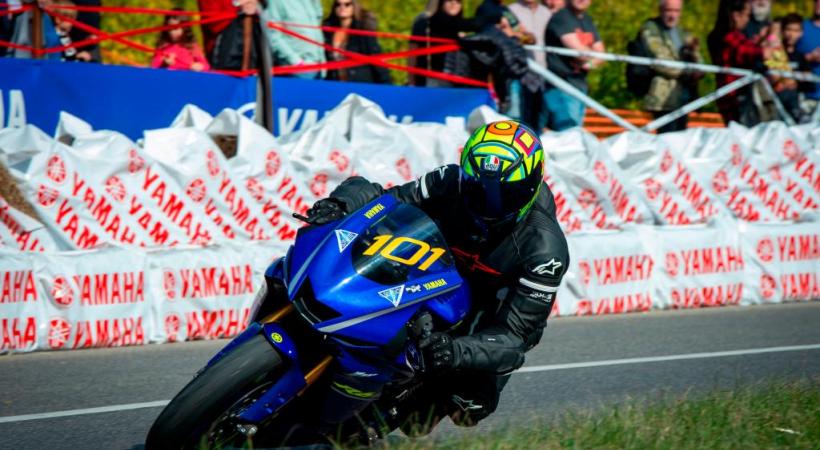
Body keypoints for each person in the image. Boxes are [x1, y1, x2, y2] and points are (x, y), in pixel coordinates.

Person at [300, 120, 569, 434]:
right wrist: (340, 204)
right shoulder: (450, 180)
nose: (489, 204)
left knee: (464, 405)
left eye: (503, 194)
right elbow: (387, 201)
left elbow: (515, 337)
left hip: (483, 317)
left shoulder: (544, 252)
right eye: (478, 188)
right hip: (427, 277)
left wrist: (457, 351)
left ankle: (363, 427)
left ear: (531, 184)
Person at [639, 0, 703, 133]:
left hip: (685, 98)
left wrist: (698, 70)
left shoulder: (684, 33)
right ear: (660, 10)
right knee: (667, 141)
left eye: (677, 11)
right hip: (663, 99)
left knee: (681, 139)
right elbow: (661, 61)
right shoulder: (651, 29)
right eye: (669, 10)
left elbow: (699, 61)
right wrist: (689, 71)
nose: (672, 15)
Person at [542, 0, 604, 131]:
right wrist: (590, 56)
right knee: (567, 133)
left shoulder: (587, 20)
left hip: (580, 83)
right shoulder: (562, 17)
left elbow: (601, 54)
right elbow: (579, 52)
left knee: (574, 134)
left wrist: (589, 62)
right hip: (561, 84)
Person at [708, 0, 765, 126]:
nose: (747, 20)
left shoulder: (716, 35)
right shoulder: (730, 37)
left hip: (728, 95)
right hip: (736, 96)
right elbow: (749, 52)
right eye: (747, 15)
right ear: (735, 15)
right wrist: (767, 47)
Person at [409, 0, 476, 87]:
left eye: (458, 1)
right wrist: (411, 82)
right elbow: (412, 54)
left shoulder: (463, 28)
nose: (454, 3)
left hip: (455, 84)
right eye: (449, 0)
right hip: (427, 81)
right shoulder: (425, 23)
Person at [322, 0, 390, 84]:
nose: (342, 7)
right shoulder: (327, 32)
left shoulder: (363, 31)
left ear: (354, 6)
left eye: (347, 4)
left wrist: (387, 85)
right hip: (335, 84)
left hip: (361, 84)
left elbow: (377, 60)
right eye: (338, 4)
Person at [509, 0, 552, 130]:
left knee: (539, 117)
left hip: (544, 73)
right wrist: (525, 37)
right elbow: (509, 34)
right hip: (518, 72)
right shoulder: (511, 11)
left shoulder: (547, 13)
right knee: (516, 116)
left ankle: (535, 146)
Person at [262, 0, 325, 79]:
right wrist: (296, 61)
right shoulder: (276, 2)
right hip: (297, 70)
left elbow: (317, 25)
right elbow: (273, 35)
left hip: (320, 68)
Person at [779, 13, 814, 122]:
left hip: (795, 110)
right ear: (782, 30)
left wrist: (797, 81)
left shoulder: (801, 57)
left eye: (796, 30)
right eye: (789, 29)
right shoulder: (774, 53)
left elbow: (809, 86)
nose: (791, 34)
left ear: (801, 33)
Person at [796, 0, 820, 116]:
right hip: (805, 96)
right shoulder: (801, 27)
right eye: (817, 1)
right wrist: (808, 57)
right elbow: (786, 53)